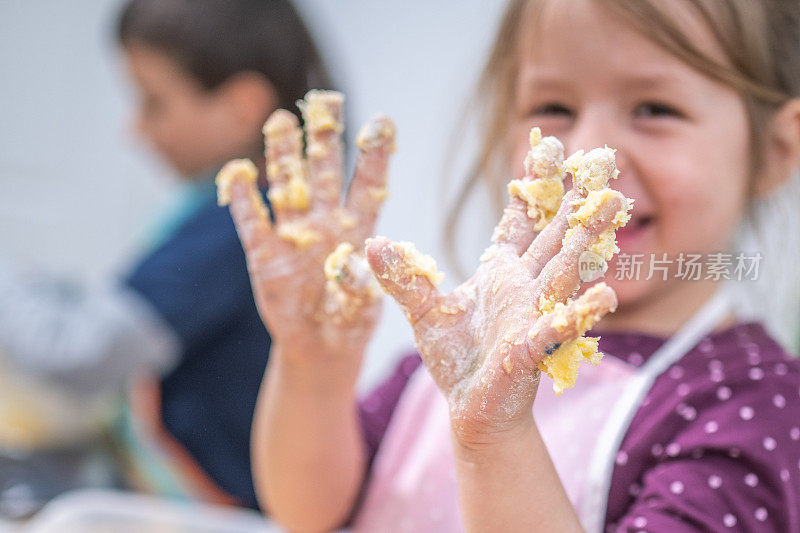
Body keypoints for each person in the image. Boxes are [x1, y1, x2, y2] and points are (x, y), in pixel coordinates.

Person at [218, 0, 800, 530]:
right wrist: (312, 365)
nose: (584, 153)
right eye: (553, 108)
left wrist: (492, 435)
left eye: (655, 108)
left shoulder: (753, 407)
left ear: (776, 151)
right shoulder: (458, 346)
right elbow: (310, 509)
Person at [0, 0, 331, 509]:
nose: (134, 129)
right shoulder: (233, 212)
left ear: (242, 107)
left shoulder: (246, 225)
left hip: (208, 506)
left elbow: (82, 351)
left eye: (153, 102)